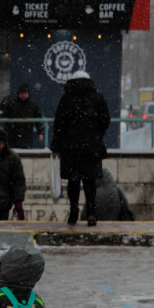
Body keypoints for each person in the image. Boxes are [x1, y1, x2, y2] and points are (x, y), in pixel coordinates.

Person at [50, 71, 111, 226]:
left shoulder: (66, 99)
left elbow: (59, 124)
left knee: (73, 181)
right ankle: (91, 212)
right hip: (91, 148)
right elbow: (106, 119)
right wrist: (97, 134)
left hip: (71, 148)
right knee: (90, 182)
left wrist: (57, 145)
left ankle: (74, 212)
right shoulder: (97, 97)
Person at [1, 83, 43, 149]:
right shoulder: (12, 104)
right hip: (13, 134)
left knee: (26, 152)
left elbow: (39, 119)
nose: (23, 95)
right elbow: (4, 116)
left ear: (28, 94)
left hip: (27, 134)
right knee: (13, 151)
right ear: (19, 94)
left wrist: (40, 132)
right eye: (22, 93)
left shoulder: (32, 105)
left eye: (25, 93)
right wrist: (9, 125)